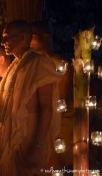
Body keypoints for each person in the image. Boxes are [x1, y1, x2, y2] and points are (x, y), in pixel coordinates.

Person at [0, 20, 61, 175]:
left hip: (28, 141)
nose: (2, 42)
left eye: (7, 37)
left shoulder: (40, 63)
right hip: (8, 140)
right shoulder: (13, 68)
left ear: (23, 38)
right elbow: (6, 112)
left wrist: (37, 146)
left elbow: (46, 108)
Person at [30, 21, 74, 169]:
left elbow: (63, 99)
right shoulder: (29, 65)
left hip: (57, 123)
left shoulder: (58, 63)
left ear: (46, 36)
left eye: (33, 36)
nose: (29, 41)